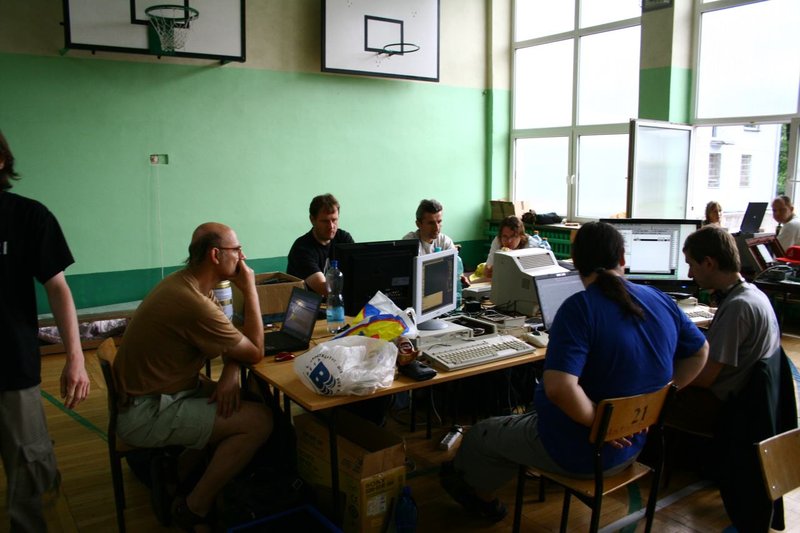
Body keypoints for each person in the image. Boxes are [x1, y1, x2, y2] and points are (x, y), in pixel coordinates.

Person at [440, 221, 708, 522]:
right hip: (633, 447)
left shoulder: (579, 308)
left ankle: (483, 504)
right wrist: (659, 400)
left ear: (576, 265)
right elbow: (700, 351)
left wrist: (602, 426)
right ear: (622, 259)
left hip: (580, 451)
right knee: (516, 423)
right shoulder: (658, 298)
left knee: (481, 434)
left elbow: (559, 388)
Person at [113, 222, 272, 531]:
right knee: (260, 421)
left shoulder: (189, 285)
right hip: (146, 413)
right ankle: (193, 507)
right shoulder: (192, 302)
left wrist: (230, 372)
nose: (242, 257)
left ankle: (177, 474)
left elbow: (233, 342)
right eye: (237, 250)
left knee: (243, 397)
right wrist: (250, 288)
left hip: (159, 395)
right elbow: (254, 351)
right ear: (215, 255)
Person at [0, 130, 91, 531]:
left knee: (27, 464)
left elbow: (57, 288)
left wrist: (76, 358)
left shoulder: (28, 216)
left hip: (12, 364)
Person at [667, 225, 780, 431]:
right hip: (747, 400)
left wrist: (658, 370)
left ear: (709, 263)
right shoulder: (754, 294)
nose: (690, 274)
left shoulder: (738, 307)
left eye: (691, 265)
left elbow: (703, 377)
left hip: (718, 407)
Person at [287, 193, 354, 296]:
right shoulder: (301, 248)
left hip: (339, 301)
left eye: (334, 220)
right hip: (309, 305)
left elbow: (358, 272)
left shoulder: (343, 238)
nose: (331, 226)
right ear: (312, 220)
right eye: (325, 221)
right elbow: (325, 289)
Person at [484, 215, 549, 278]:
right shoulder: (498, 240)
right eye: (505, 236)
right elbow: (488, 267)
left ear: (521, 236)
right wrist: (488, 271)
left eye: (513, 236)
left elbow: (528, 276)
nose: (509, 241)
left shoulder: (531, 247)